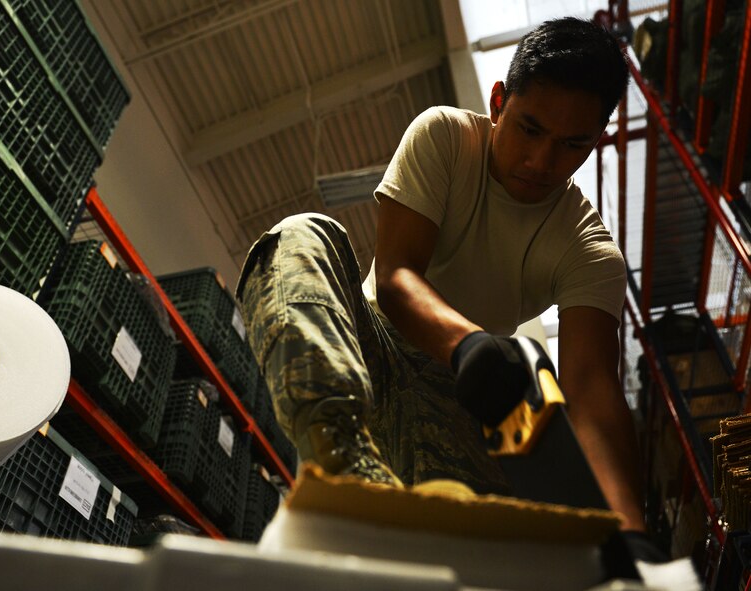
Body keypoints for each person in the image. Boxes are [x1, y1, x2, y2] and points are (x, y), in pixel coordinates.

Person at [236, 17, 647, 539]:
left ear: (595, 140)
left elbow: (592, 395)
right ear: (498, 102)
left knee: (521, 505)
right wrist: (467, 343)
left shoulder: (589, 251)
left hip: (466, 403)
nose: (541, 161)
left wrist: (629, 530)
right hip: (370, 350)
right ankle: (336, 444)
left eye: (571, 145)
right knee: (301, 236)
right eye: (530, 129)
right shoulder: (446, 138)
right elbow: (396, 275)